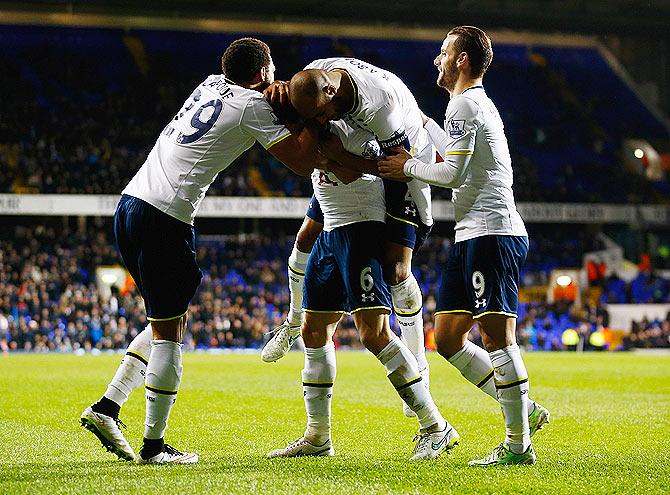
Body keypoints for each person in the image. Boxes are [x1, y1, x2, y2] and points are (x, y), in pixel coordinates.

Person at [80, 37, 322, 464]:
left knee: (166, 321)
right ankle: (154, 447)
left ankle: (108, 407)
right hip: (165, 217)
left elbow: (242, 98)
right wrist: (306, 116)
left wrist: (273, 90)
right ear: (263, 73)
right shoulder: (253, 107)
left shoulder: (209, 83)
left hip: (131, 203)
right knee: (171, 338)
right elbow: (304, 163)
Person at [378, 26, 550, 466]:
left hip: (492, 232)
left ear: (462, 60)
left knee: (496, 337)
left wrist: (407, 167)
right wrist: (423, 124)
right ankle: (525, 409)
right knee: (449, 336)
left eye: (443, 51)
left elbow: (450, 174)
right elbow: (454, 156)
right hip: (473, 233)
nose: (437, 58)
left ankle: (518, 446)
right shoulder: (468, 106)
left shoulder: (465, 104)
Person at [267, 120, 459, 460]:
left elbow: (360, 172)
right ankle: (317, 436)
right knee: (313, 332)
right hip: (332, 227)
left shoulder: (355, 126)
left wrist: (329, 154)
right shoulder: (316, 127)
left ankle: (435, 426)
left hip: (361, 229)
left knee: (374, 334)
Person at [262, 57, 434, 419]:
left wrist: (337, 158)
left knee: (398, 270)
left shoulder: (380, 108)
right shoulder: (318, 84)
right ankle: (293, 322)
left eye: (321, 115)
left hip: (406, 157)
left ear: (332, 93)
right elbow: (306, 122)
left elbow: (395, 169)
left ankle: (419, 366)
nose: (319, 122)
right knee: (306, 236)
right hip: (341, 187)